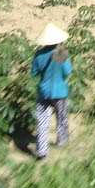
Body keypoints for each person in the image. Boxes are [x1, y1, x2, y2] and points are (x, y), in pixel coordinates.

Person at [32, 22, 72, 160]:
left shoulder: (39, 54)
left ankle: (42, 151)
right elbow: (67, 72)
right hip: (59, 92)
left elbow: (34, 73)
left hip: (44, 91)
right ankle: (62, 141)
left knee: (42, 121)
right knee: (61, 118)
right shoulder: (60, 54)